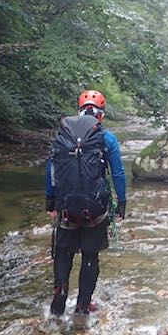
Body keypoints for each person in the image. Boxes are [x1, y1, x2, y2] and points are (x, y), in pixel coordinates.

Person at [45, 89, 126, 317]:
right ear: (102, 113)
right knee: (90, 256)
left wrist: (50, 202)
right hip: (95, 210)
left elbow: (51, 169)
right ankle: (82, 306)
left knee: (63, 252)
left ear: (79, 109)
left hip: (66, 208)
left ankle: (60, 293)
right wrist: (122, 201)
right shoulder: (106, 138)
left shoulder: (63, 135)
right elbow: (118, 173)